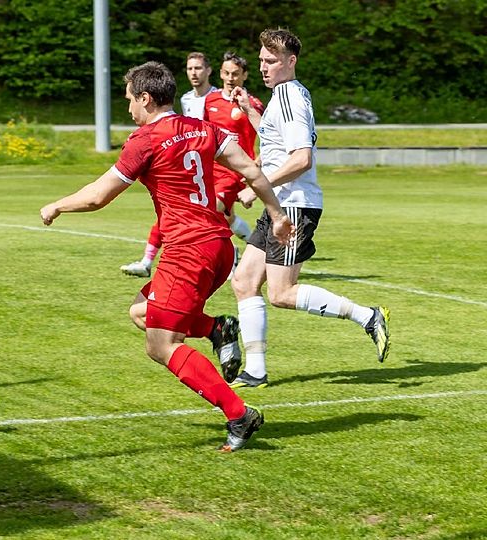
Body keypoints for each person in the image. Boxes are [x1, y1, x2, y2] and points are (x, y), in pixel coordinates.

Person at [40, 61, 294, 452]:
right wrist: (276, 216)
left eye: (130, 100)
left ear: (145, 98)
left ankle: (239, 414)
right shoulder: (203, 128)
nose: (128, 108)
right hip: (220, 247)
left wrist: (57, 205)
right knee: (140, 312)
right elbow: (251, 170)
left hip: (188, 253)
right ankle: (216, 329)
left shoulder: (145, 140)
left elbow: (98, 196)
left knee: (161, 344)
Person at [227, 28, 390, 388]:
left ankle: (368, 316)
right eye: (261, 61)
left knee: (281, 293)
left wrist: (258, 186)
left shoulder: (290, 97)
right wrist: (250, 113)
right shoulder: (283, 95)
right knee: (244, 281)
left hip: (294, 206)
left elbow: (301, 159)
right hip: (281, 204)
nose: (263, 67)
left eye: (271, 61)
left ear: (291, 61)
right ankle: (256, 371)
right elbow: (275, 141)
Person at [121, 52, 218, 278]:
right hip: (188, 162)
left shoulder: (219, 99)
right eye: (190, 68)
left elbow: (99, 196)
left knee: (199, 215)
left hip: (213, 169)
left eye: (198, 68)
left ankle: (232, 257)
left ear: (209, 71)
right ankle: (147, 261)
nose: (193, 73)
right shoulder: (186, 99)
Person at [203, 51, 264, 244]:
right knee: (225, 218)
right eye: (226, 73)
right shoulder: (210, 100)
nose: (230, 78)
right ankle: (255, 248)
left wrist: (258, 163)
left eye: (235, 74)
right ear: (221, 73)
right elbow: (206, 133)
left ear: (244, 75)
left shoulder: (253, 105)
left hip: (234, 172)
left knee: (211, 213)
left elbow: (270, 138)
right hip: (211, 169)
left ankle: (228, 255)